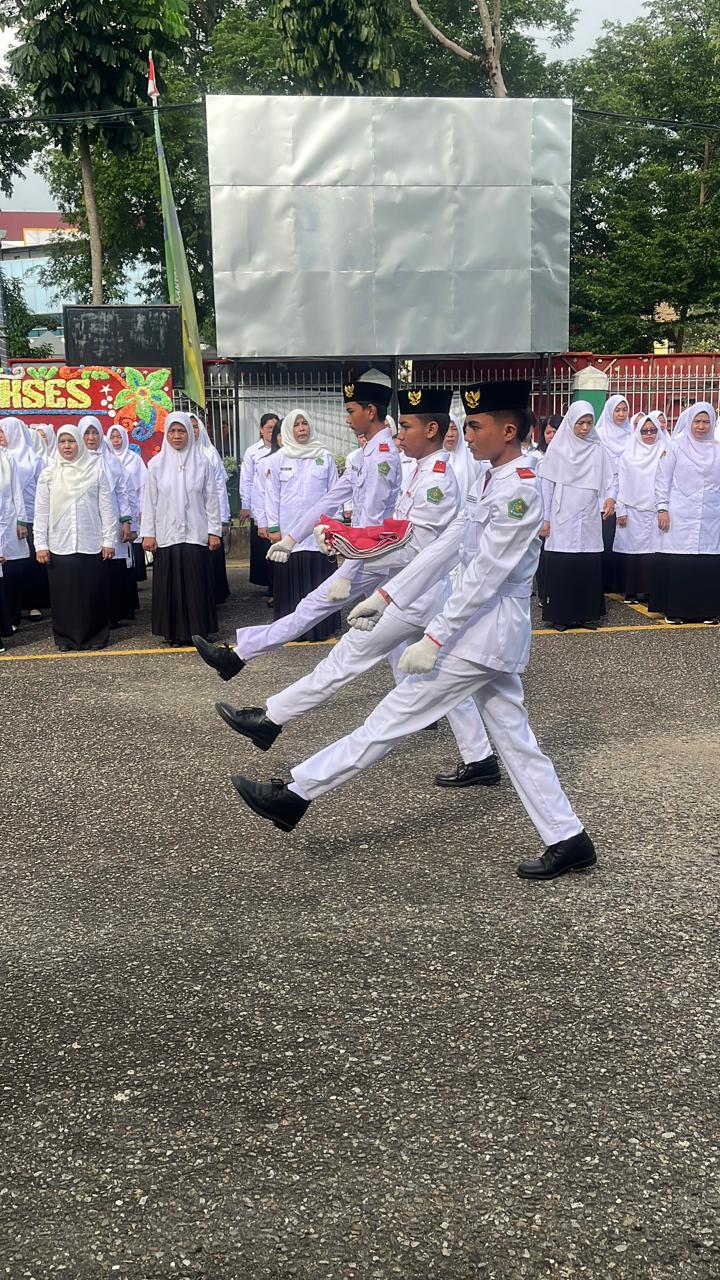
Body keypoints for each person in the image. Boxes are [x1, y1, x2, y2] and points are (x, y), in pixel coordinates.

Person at [229, 380, 596, 883]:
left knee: (391, 718)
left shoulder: (522, 490)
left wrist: (435, 637)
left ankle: (294, 794)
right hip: (479, 630)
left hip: (484, 632)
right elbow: (445, 548)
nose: (465, 434)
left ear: (508, 431)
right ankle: (569, 838)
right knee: (514, 739)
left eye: (475, 425)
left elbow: (486, 575)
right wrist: (386, 597)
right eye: (466, 424)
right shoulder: (493, 478)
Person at [213, 387, 499, 788]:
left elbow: (413, 550)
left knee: (347, 657)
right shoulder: (418, 468)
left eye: (408, 427)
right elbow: (395, 534)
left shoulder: (437, 479)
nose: (400, 435)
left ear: (431, 429)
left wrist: (352, 556)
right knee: (440, 678)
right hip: (411, 590)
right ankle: (480, 757)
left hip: (412, 593)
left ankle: (271, 719)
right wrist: (349, 544)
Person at [192, 369, 402, 679]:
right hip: (373, 557)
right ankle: (418, 696)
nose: (346, 419)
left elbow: (370, 523)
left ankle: (239, 656)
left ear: (370, 412)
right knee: (398, 630)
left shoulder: (381, 457)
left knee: (315, 609)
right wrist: (291, 539)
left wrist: (350, 569)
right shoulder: (365, 455)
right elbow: (329, 501)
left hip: (375, 559)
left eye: (350, 411)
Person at [140, 412, 223, 646]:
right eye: (172, 431)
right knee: (171, 585)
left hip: (196, 533)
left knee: (196, 583)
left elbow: (211, 499)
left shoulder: (202, 463)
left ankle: (199, 630)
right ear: (166, 434)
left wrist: (214, 530)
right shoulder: (155, 465)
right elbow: (150, 501)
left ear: (190, 433)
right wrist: (149, 533)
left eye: (182, 431)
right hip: (167, 535)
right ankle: (174, 632)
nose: (177, 436)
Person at [33, 425, 115, 651]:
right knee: (64, 595)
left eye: (71, 441)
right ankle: (66, 638)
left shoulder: (95, 471)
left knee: (92, 592)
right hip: (60, 543)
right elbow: (41, 512)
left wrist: (109, 540)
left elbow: (107, 509)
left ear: (79, 443)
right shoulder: (49, 474)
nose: (67, 446)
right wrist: (40, 545)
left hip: (91, 542)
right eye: (62, 442)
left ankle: (96, 636)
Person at [262, 408, 341, 639]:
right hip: (290, 534)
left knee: (320, 582)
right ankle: (291, 631)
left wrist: (334, 528)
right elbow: (271, 495)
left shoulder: (324, 456)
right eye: (296, 425)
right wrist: (274, 528)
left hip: (319, 534)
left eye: (304, 423)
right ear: (288, 430)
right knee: (291, 581)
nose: (301, 429)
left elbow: (334, 493)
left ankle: (322, 628)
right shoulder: (278, 459)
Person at [539, 401, 615, 632]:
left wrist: (610, 498)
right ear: (571, 422)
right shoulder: (557, 450)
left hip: (589, 513)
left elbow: (610, 478)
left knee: (587, 564)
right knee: (563, 564)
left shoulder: (597, 449)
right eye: (580, 423)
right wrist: (545, 518)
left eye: (589, 423)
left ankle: (588, 614)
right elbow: (547, 487)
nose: (584, 428)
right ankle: (562, 616)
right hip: (563, 514)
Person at [650, 402, 720, 624]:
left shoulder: (717, 447)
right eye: (697, 421)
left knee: (706, 563)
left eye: (706, 421)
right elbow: (663, 478)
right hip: (680, 511)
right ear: (689, 422)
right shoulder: (675, 445)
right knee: (681, 562)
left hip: (711, 514)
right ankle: (676, 610)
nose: (701, 426)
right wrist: (662, 508)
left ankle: (707, 610)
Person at [79, 414, 137, 625]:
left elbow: (123, 492)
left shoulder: (111, 460)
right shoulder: (76, 461)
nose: (91, 438)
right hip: (86, 520)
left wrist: (126, 521)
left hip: (111, 517)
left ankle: (113, 614)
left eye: (95, 433)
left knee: (111, 563)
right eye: (87, 433)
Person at [614, 413, 666, 603]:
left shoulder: (665, 451)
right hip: (632, 509)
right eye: (644, 431)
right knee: (633, 551)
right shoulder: (628, 454)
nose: (649, 434)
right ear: (638, 432)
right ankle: (631, 591)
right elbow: (619, 482)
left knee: (654, 551)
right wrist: (621, 509)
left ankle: (651, 590)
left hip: (656, 509)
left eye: (653, 431)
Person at [0, 416, 46, 622]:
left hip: (30, 517)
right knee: (11, 565)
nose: (2, 436)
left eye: (4, 431)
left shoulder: (34, 458)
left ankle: (33, 604)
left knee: (30, 564)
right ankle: (13, 609)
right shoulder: (3, 457)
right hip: (9, 519)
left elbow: (41, 488)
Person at [190, 413, 231, 605]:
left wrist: (223, 518)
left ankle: (214, 595)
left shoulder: (209, 453)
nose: (192, 431)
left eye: (195, 426)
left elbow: (219, 489)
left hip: (210, 514)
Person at [240, 412, 280, 592]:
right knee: (264, 547)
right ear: (261, 430)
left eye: (274, 427)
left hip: (279, 506)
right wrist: (246, 505)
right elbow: (247, 480)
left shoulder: (283, 449)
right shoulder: (253, 452)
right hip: (260, 504)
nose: (271, 431)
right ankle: (270, 585)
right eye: (268, 428)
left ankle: (278, 585)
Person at [596, 394, 631, 591]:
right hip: (605, 491)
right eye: (617, 410)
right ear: (609, 411)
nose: (621, 414)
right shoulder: (599, 435)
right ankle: (604, 582)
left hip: (627, 491)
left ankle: (619, 582)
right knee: (606, 538)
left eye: (624, 410)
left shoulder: (632, 434)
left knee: (624, 539)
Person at [107, 423, 148, 584]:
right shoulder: (106, 458)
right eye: (112, 437)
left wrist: (141, 509)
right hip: (112, 509)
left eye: (119, 437)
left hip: (132, 506)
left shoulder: (134, 459)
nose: (116, 440)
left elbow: (142, 485)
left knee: (130, 543)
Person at [0, 434, 27, 652]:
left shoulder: (7, 459)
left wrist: (21, 520)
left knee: (11, 572)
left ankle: (11, 617)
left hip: (7, 520)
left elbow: (17, 491)